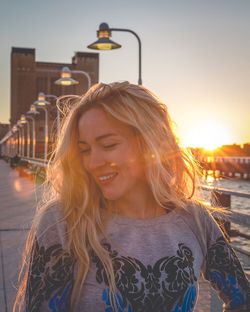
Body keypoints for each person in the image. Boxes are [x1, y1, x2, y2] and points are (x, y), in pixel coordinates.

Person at [14, 82, 249, 312]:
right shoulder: (64, 222)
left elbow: (243, 300)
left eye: (108, 145)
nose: (93, 163)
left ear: (150, 145)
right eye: (84, 150)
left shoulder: (196, 220)